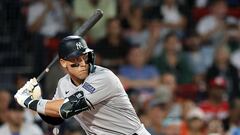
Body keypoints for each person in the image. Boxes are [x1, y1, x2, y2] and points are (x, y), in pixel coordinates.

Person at [14, 35, 151, 135]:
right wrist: (38, 100)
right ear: (63, 63)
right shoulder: (63, 83)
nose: (83, 64)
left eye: (84, 57)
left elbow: (66, 108)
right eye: (75, 59)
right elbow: (54, 119)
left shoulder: (103, 77)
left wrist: (27, 101)